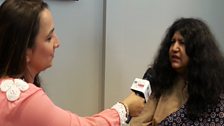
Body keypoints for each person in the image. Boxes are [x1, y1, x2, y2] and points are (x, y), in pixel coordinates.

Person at [0, 0, 145, 126]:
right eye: (49, 38)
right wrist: (125, 108)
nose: (57, 43)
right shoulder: (25, 99)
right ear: (25, 50)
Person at [130, 17, 224, 125]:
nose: (174, 48)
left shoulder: (214, 89)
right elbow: (137, 123)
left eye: (182, 43)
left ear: (197, 49)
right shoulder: (157, 79)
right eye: (172, 42)